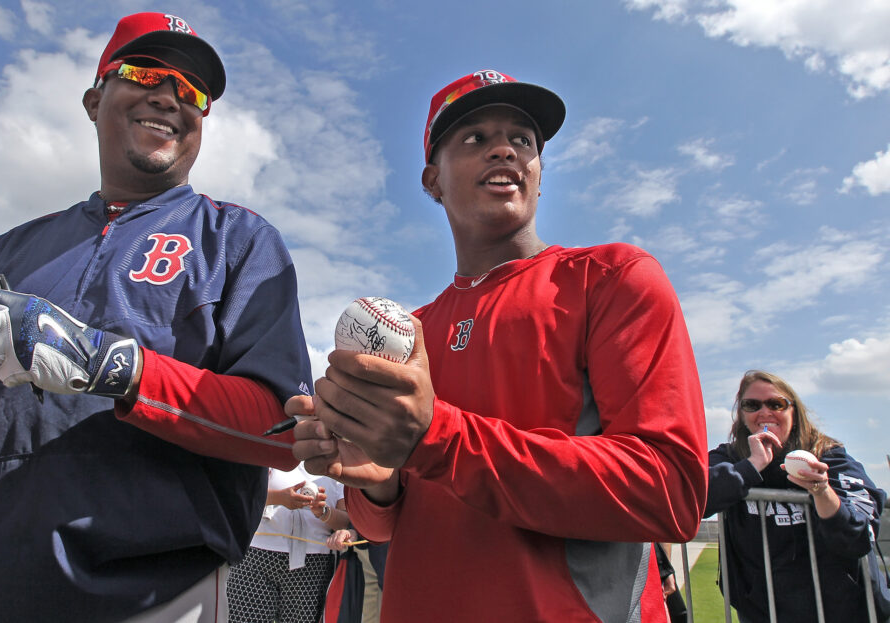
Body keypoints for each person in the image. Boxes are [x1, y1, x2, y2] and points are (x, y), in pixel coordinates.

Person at [0, 12, 311, 623]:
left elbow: (279, 431)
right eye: (143, 72)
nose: (169, 95)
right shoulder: (7, 249)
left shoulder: (237, 239)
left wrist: (109, 365)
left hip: (149, 589)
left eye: (192, 91)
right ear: (94, 98)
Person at [289, 69, 709, 622]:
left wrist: (435, 437)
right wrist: (374, 482)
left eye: (524, 139)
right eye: (474, 138)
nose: (505, 149)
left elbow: (668, 492)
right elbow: (381, 527)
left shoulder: (612, 277)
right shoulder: (412, 332)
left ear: (539, 173)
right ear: (432, 181)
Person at [705, 369, 887, 623]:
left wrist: (821, 491)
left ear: (794, 411)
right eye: (752, 405)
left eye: (776, 404)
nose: (765, 412)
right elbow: (691, 502)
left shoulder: (830, 457)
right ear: (742, 415)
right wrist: (752, 465)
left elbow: (858, 537)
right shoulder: (730, 458)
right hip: (763, 612)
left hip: (843, 611)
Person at [226, 466, 348, 623]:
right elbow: (241, 494)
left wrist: (322, 512)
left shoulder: (337, 463)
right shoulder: (269, 447)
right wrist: (280, 498)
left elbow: (346, 522)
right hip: (255, 555)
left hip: (313, 564)